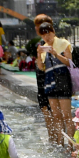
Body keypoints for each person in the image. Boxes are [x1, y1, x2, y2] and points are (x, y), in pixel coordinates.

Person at [37, 22, 73, 142]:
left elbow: (69, 62)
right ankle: (60, 142)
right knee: (56, 116)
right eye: (43, 35)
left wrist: (56, 54)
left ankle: (71, 144)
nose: (47, 37)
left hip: (63, 81)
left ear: (53, 32)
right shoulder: (44, 48)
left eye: (48, 33)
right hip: (50, 82)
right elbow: (41, 67)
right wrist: (38, 55)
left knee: (67, 116)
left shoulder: (63, 43)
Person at [32, 14, 56, 143]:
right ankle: (52, 138)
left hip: (48, 81)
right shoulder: (42, 43)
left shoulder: (48, 43)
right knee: (47, 110)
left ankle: (55, 138)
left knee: (50, 111)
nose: (36, 28)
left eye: (37, 25)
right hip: (42, 81)